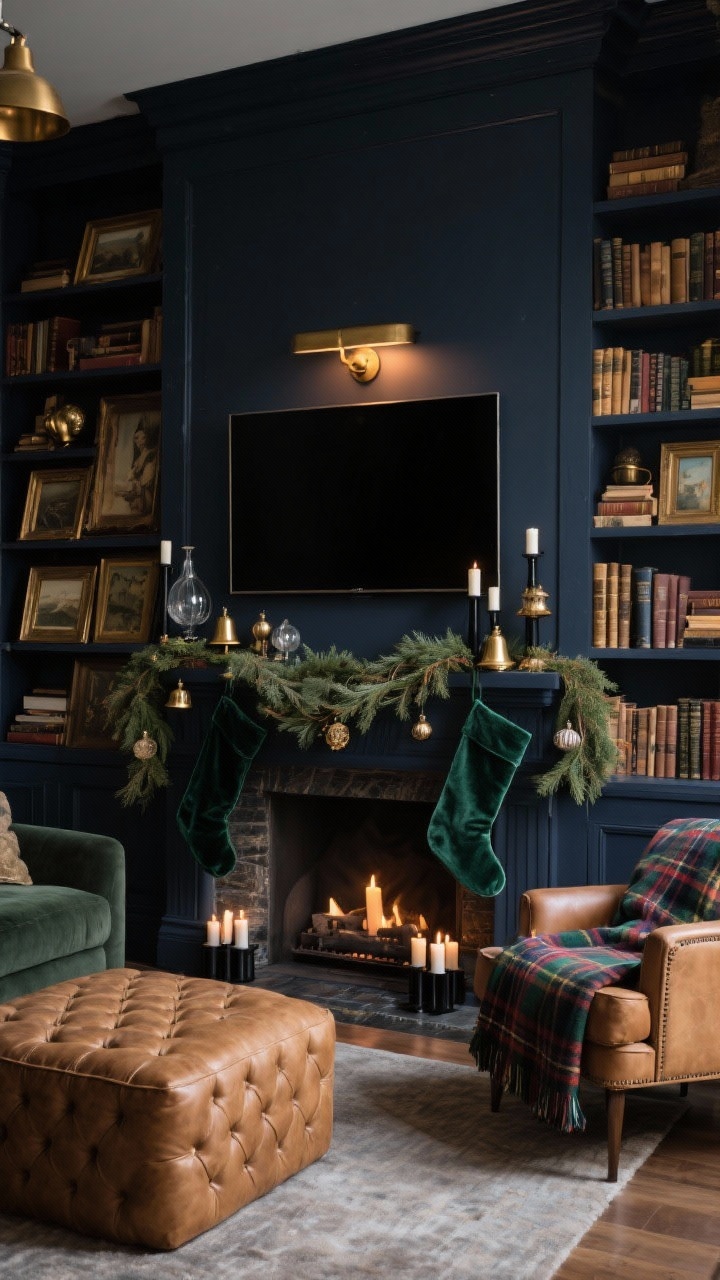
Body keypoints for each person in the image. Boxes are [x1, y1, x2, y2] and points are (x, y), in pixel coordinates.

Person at [116, 418, 158, 516]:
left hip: (145, 499)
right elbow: (130, 481)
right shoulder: (137, 459)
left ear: (148, 438)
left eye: (143, 437)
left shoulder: (151, 455)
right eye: (136, 438)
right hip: (136, 499)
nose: (140, 441)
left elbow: (144, 481)